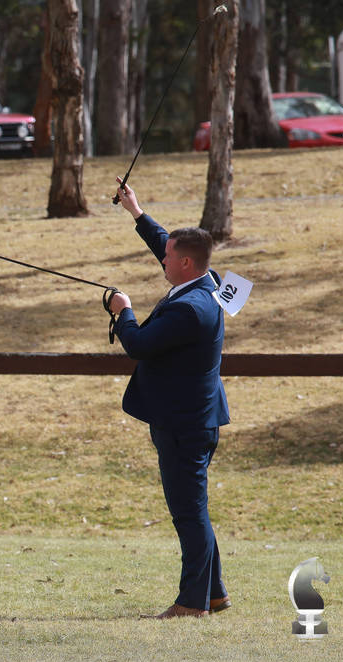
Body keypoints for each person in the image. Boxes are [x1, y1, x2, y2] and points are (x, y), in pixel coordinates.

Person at [109, 177, 231, 619]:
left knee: (188, 514)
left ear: (183, 263)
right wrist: (136, 212)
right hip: (196, 418)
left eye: (167, 257)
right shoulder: (209, 282)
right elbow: (169, 243)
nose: (161, 258)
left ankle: (191, 603)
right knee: (193, 508)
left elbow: (139, 344)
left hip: (184, 425)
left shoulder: (189, 310)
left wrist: (123, 312)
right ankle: (213, 594)